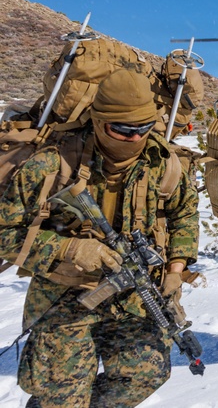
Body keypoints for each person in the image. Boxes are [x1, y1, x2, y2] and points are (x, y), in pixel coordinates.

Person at [0, 69, 199, 407]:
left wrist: (176, 268)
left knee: (146, 372)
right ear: (98, 120)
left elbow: (185, 216)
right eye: (122, 130)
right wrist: (70, 247)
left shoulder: (164, 165)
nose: (134, 138)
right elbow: (5, 232)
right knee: (61, 396)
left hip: (131, 298)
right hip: (63, 298)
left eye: (144, 128)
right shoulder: (52, 164)